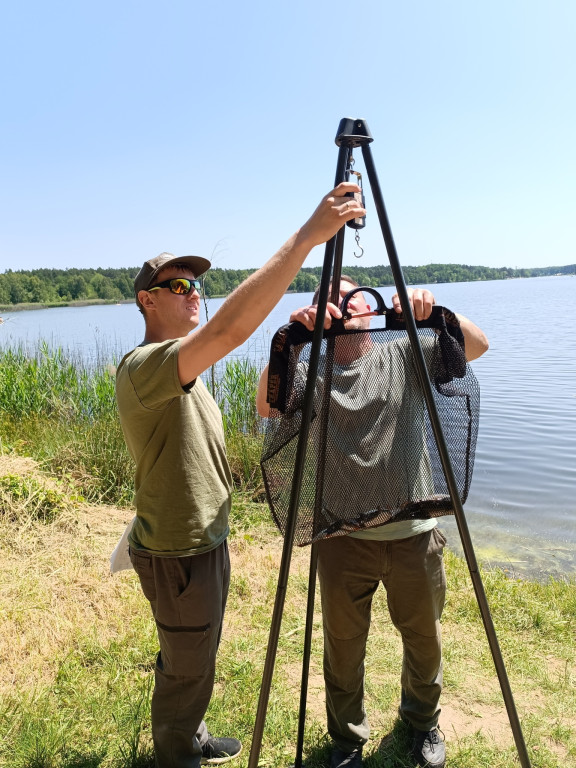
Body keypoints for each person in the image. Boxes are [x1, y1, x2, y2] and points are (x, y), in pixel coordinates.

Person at [115, 185, 365, 768]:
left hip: (201, 542)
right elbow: (230, 331)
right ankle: (177, 756)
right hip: (179, 550)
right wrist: (306, 239)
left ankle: (191, 734)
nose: (193, 293)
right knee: (187, 663)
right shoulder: (145, 367)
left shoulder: (182, 367)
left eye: (196, 285)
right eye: (178, 287)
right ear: (147, 301)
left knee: (194, 652)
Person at [256, 277, 489, 768]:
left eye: (351, 296)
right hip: (341, 539)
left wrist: (435, 314)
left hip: (414, 535)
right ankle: (346, 739)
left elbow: (478, 345)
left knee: (424, 639)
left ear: (369, 308)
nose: (342, 305)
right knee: (343, 649)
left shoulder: (406, 352)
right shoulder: (312, 371)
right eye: (328, 299)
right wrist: (292, 341)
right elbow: (267, 405)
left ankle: (423, 723)